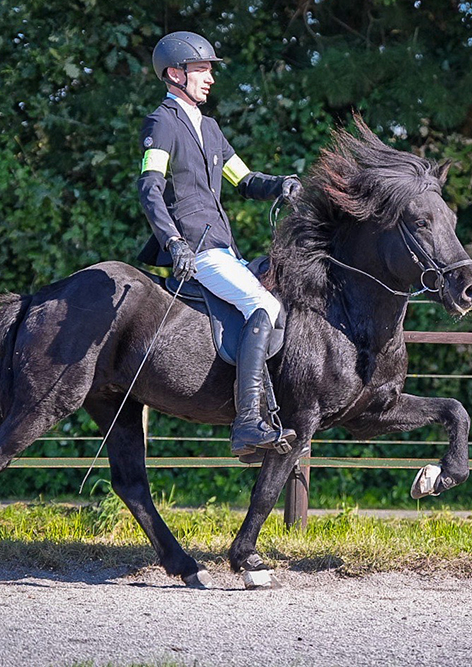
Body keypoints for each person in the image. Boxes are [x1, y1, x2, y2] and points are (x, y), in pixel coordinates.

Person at [136, 31, 300, 461]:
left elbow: (244, 181)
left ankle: (263, 414)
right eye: (202, 69)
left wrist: (280, 184)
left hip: (225, 248)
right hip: (196, 248)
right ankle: (248, 423)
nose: (210, 78)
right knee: (265, 306)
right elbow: (150, 188)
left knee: (275, 301)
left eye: (210, 69)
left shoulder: (210, 128)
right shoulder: (161, 123)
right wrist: (173, 242)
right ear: (175, 74)